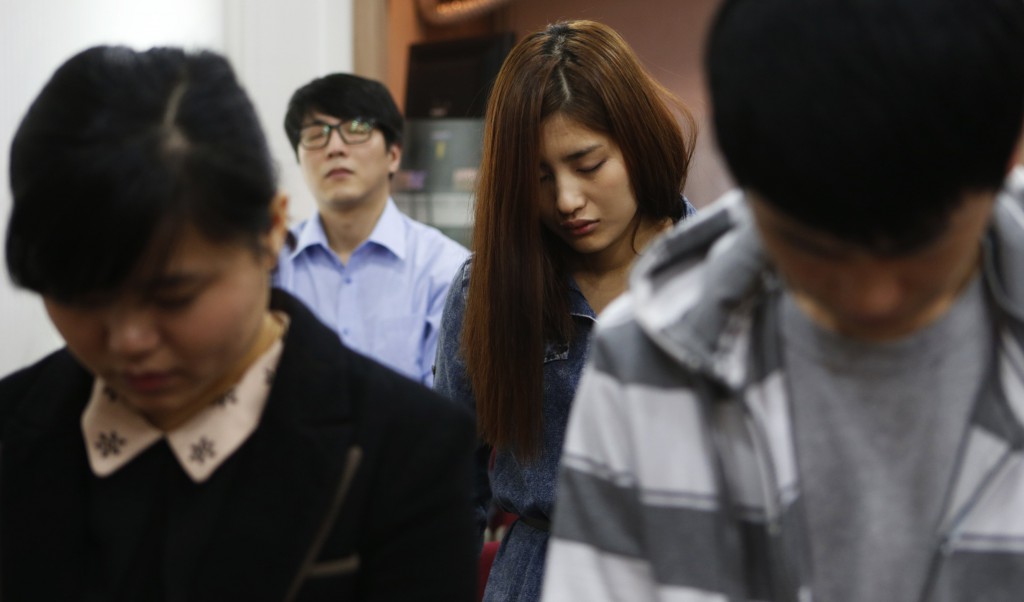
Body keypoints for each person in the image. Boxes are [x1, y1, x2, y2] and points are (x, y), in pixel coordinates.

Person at [542, 0, 1024, 600]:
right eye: (808, 247)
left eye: (917, 246)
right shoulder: (649, 356)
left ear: (1007, 155)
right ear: (748, 183)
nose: (870, 298)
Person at [0, 46, 478, 601]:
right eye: (82, 297)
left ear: (272, 229)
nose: (128, 340)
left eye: (173, 295)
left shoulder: (406, 451)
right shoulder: (15, 430)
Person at [434, 20, 697, 602]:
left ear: (637, 139)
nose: (566, 201)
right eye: (539, 177)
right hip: (540, 579)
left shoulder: (719, 274)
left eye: (588, 163)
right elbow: (450, 478)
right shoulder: (491, 286)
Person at [275, 73, 469, 386]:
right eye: (315, 134)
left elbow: (445, 404)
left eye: (356, 129)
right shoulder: (271, 264)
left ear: (393, 155)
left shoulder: (446, 270)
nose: (335, 147)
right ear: (299, 158)